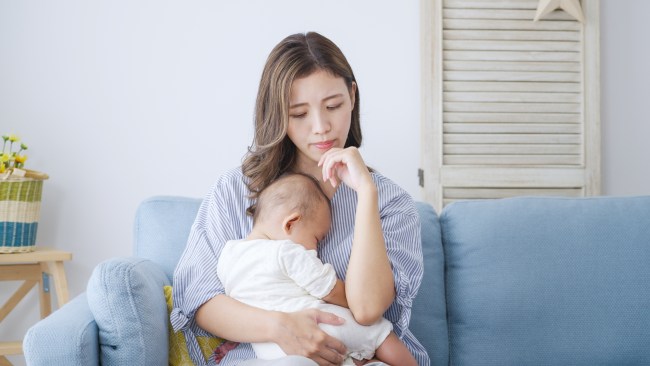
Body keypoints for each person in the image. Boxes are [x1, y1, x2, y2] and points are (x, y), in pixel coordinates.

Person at [171, 31, 428, 366]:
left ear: (352, 96)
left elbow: (366, 309)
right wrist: (280, 327)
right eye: (299, 113)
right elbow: (201, 301)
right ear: (277, 114)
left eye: (333, 106)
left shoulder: (389, 203)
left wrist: (365, 194)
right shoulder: (235, 190)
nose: (321, 127)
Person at [217, 173, 418, 366]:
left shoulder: (228, 256)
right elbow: (329, 290)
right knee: (379, 332)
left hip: (272, 351)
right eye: (316, 239)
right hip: (321, 326)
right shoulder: (285, 251)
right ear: (290, 224)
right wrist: (359, 301)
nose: (316, 248)